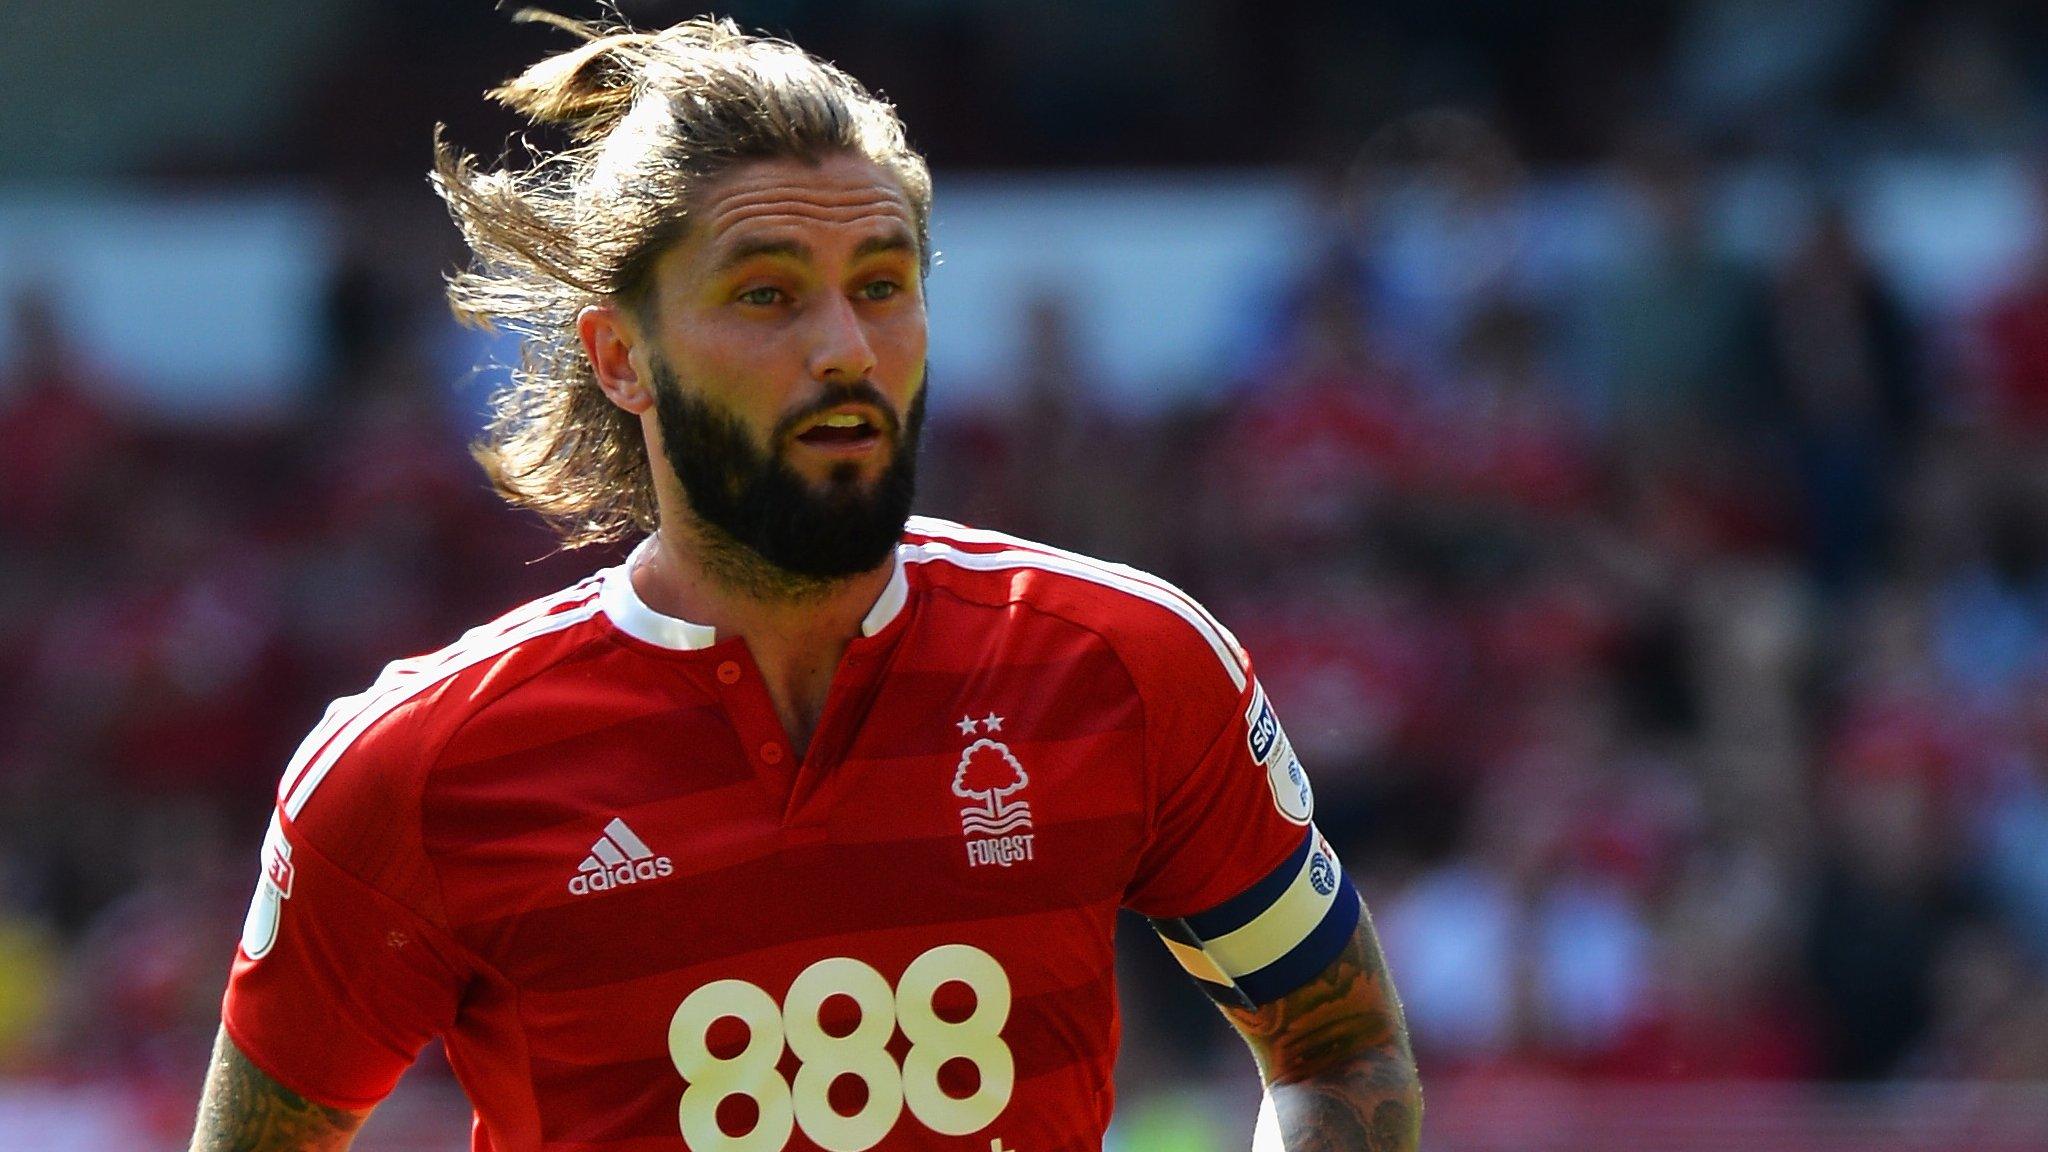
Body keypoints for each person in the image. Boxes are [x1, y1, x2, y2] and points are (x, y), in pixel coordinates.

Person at [188, 13, 1421, 1152]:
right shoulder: (412, 772)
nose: (845, 347)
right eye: (766, 293)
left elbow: (1335, 1042)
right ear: (621, 357)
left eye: (881, 285)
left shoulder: (1126, 664)